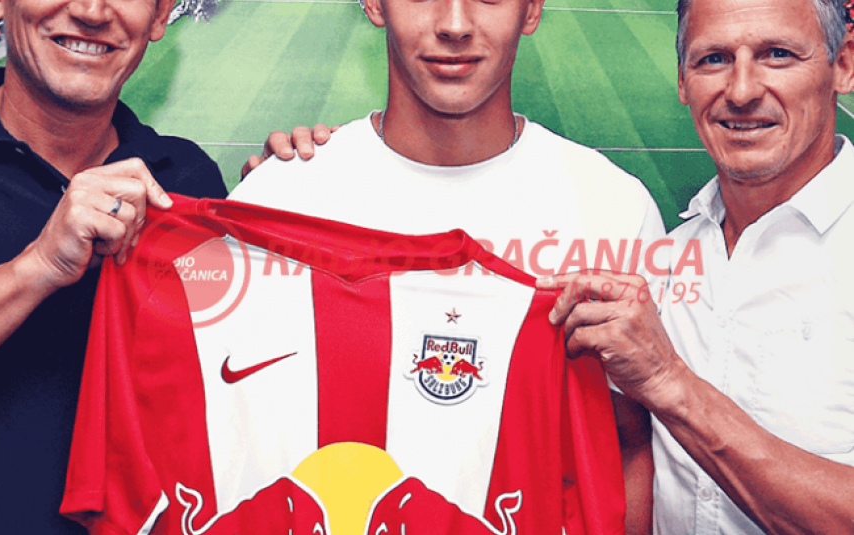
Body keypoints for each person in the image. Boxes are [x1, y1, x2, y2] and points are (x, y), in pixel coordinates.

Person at [233, 0, 664, 532]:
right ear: (374, 4)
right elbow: (234, 436)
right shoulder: (278, 198)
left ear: (531, 10)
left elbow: (627, 446)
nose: (455, 24)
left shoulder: (612, 207)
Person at [544, 0, 854, 533]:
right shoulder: (664, 260)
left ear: (843, 64)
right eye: (713, 59)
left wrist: (670, 383)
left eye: (777, 54)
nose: (741, 90)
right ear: (683, 81)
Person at [0, 0, 233, 532]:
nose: (93, 11)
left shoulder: (188, 180)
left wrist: (294, 195)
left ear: (160, 16)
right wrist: (38, 266)